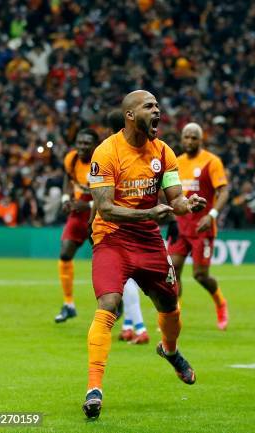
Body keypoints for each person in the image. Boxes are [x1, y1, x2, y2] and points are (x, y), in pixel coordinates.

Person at [83, 90, 207, 419]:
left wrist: (185, 206)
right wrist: (152, 214)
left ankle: (169, 350)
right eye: (149, 106)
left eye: (158, 105)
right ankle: (94, 388)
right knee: (108, 303)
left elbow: (175, 197)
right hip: (111, 237)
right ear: (130, 114)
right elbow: (106, 210)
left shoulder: (163, 151)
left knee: (170, 305)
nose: (157, 111)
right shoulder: (106, 152)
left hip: (149, 241)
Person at [168, 122, 230, 330]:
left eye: (194, 137)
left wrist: (211, 215)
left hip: (202, 228)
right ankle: (174, 315)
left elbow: (224, 191)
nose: (189, 141)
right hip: (180, 227)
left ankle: (221, 303)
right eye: (186, 137)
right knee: (172, 271)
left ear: (201, 140)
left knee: (200, 275)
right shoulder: (176, 162)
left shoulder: (211, 162)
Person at [105, 108, 150, 345]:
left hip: (120, 225)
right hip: (141, 221)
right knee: (128, 280)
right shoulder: (142, 150)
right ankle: (129, 325)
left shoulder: (110, 152)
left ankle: (140, 328)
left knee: (126, 280)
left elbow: (106, 200)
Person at [54, 128, 99, 323]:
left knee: (104, 261)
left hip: (99, 216)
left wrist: (88, 204)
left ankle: (117, 304)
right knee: (65, 254)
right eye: (79, 142)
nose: (82, 146)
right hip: (78, 213)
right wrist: (65, 198)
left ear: (95, 145)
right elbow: (68, 178)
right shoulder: (71, 159)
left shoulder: (101, 162)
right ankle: (68, 304)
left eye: (86, 143)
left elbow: (111, 194)